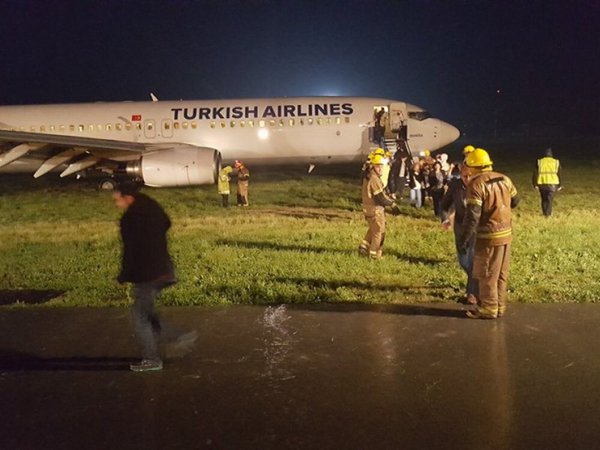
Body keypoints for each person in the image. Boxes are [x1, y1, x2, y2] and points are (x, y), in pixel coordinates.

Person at [114, 181, 196, 372]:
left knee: (140, 317)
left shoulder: (130, 219)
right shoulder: (153, 210)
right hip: (164, 269)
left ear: (128, 198)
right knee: (146, 311)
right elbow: (167, 223)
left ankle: (153, 358)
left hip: (146, 273)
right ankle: (177, 336)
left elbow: (130, 251)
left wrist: (123, 275)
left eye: (117, 200)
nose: (117, 204)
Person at [457, 149, 520, 319]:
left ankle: (488, 308)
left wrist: (464, 238)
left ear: (471, 166)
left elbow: (473, 216)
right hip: (506, 234)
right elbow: (515, 200)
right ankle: (499, 306)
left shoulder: (476, 183)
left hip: (488, 236)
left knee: (486, 273)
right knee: (500, 273)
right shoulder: (504, 178)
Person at [440, 163, 478, 305]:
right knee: (463, 261)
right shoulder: (455, 186)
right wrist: (445, 219)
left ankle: (472, 293)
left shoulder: (480, 186)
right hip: (460, 228)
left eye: (470, 176)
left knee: (473, 261)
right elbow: (444, 205)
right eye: (464, 176)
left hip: (476, 229)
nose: (467, 179)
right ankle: (477, 283)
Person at [358, 154, 400, 259]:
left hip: (369, 209)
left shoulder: (369, 176)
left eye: (381, 166)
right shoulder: (374, 178)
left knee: (373, 228)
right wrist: (392, 204)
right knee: (379, 232)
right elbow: (380, 198)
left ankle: (364, 246)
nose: (380, 168)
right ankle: (374, 255)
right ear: (372, 166)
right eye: (378, 166)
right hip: (375, 210)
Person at [532, 148, 561, 217]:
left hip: (542, 182)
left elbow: (535, 173)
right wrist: (560, 185)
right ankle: (548, 214)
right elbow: (559, 173)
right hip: (553, 183)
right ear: (552, 154)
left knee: (544, 199)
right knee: (549, 199)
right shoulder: (556, 162)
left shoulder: (540, 162)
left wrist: (535, 184)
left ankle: (545, 213)